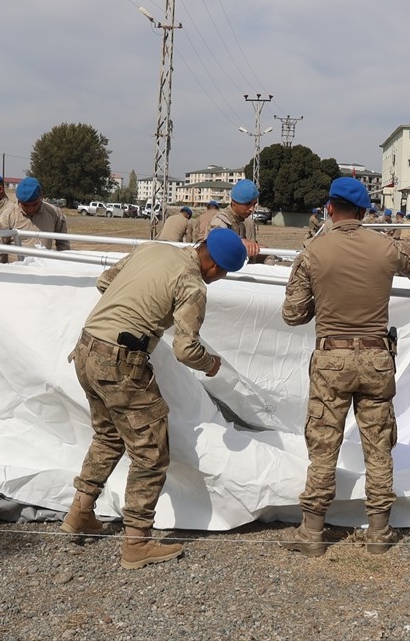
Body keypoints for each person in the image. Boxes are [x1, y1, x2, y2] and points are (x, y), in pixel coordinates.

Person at [60, 228, 248, 569]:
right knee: (150, 452)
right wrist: (211, 364)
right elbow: (185, 348)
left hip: (86, 349)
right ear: (217, 269)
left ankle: (80, 513)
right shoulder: (193, 285)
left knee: (108, 436)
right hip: (119, 363)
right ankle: (137, 543)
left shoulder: (152, 249)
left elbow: (105, 282)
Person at [279, 178, 410, 557]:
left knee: (323, 445)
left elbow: (292, 315)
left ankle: (313, 533)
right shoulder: (387, 248)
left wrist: (325, 297)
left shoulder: (312, 252)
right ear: (365, 212)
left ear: (330, 209)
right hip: (376, 359)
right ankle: (380, 532)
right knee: (379, 445)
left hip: (331, 360)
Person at [0, 177, 70, 263]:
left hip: (44, 270)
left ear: (41, 196)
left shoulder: (54, 213)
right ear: (19, 201)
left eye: (35, 204)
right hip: (17, 271)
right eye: (26, 205)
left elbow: (63, 244)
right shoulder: (6, 216)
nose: (31, 209)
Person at [207, 180, 263, 261]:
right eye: (247, 204)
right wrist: (240, 241)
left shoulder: (240, 222)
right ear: (234, 202)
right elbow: (217, 239)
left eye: (254, 204)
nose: (252, 209)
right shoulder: (222, 219)